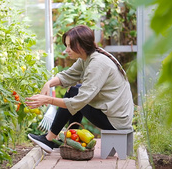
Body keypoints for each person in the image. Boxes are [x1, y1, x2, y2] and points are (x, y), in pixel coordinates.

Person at [25, 25, 134, 153]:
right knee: (75, 89)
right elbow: (69, 75)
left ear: (82, 46)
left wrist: (48, 100)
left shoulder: (97, 63)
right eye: (66, 45)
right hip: (112, 115)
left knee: (74, 93)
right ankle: (70, 138)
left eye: (70, 46)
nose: (67, 50)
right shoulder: (88, 57)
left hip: (115, 122)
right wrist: (48, 84)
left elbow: (79, 101)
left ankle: (49, 139)